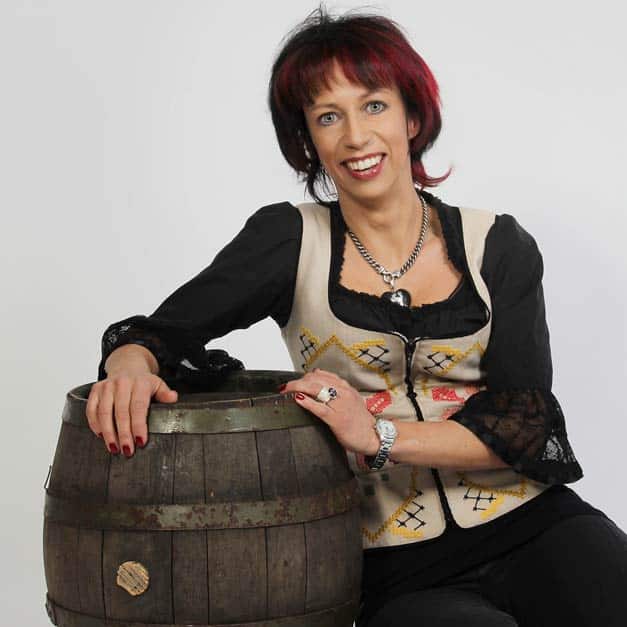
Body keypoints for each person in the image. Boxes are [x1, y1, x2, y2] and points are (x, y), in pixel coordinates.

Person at [86, 5, 627, 626]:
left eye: (374, 106)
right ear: (308, 141)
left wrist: (377, 435)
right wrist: (129, 365)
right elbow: (159, 333)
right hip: (393, 562)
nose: (355, 137)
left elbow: (523, 427)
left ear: (412, 117)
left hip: (536, 523)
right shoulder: (288, 241)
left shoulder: (498, 246)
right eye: (328, 116)